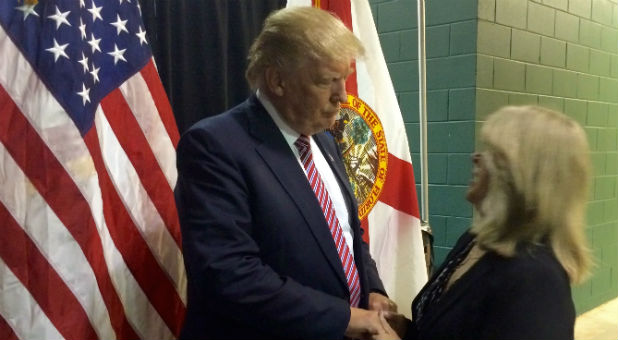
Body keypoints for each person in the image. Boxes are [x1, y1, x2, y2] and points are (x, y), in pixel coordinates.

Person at [175, 6, 397, 339]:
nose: (343, 96)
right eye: (327, 82)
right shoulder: (215, 146)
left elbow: (347, 233)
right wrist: (345, 319)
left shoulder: (324, 140)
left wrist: (372, 290)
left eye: (345, 79)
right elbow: (230, 275)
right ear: (277, 80)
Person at [376, 105, 593, 340]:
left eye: (492, 152)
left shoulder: (537, 281)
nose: (476, 157)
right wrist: (406, 330)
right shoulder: (476, 239)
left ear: (521, 174)